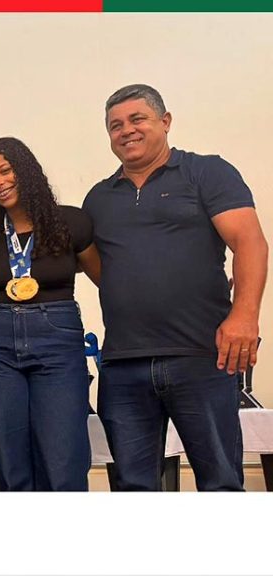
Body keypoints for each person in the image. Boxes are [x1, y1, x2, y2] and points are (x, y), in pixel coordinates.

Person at [84, 84, 268, 491]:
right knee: (134, 489)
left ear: (165, 122)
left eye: (137, 119)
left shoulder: (207, 172)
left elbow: (250, 242)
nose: (126, 131)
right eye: (116, 125)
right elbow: (105, 271)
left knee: (220, 485)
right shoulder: (98, 198)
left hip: (201, 357)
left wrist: (244, 315)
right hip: (124, 365)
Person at [0, 136, 101, 491]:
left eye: (5, 171)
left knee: (63, 460)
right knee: (9, 461)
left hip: (57, 345)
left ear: (25, 170)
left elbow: (108, 281)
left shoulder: (70, 222)